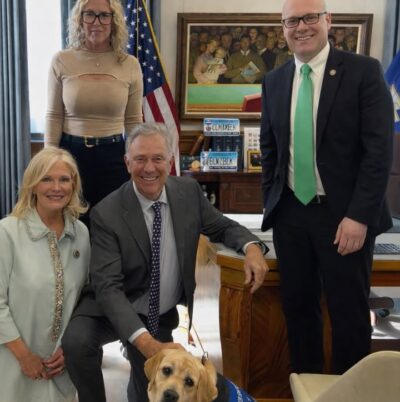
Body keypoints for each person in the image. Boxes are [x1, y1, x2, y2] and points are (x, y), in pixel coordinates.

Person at [62, 122, 269, 402]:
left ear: (170, 161)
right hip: (111, 308)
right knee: (76, 342)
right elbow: (108, 288)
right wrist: (147, 344)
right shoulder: (106, 212)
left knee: (147, 395)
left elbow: (222, 226)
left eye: (157, 158)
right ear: (127, 163)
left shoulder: (188, 193)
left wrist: (252, 248)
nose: (149, 168)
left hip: (156, 315)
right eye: (140, 159)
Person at [260, 0, 393, 375]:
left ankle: (351, 394)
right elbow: (270, 151)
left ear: (328, 20)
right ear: (283, 28)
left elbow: (379, 152)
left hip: (345, 218)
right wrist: (272, 203)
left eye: (309, 18)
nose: (301, 27)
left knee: (348, 313)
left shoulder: (363, 72)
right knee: (298, 310)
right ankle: (308, 389)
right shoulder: (274, 80)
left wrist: (359, 216)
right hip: (291, 215)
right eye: (291, 21)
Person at [0, 147, 90, 401]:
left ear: (74, 185)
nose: (56, 187)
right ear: (33, 185)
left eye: (64, 179)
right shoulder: (7, 232)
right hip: (13, 364)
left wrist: (70, 347)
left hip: (61, 367)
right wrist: (24, 356)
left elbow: (83, 300)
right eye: (47, 179)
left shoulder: (82, 234)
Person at [45, 0, 143, 227]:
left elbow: (133, 121)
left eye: (104, 15)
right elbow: (53, 115)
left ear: (114, 21)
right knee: (70, 225)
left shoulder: (130, 64)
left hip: (114, 157)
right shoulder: (62, 60)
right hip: (70, 155)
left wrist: (136, 159)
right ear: (80, 19)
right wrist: (50, 159)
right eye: (89, 14)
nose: (96, 22)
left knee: (110, 226)